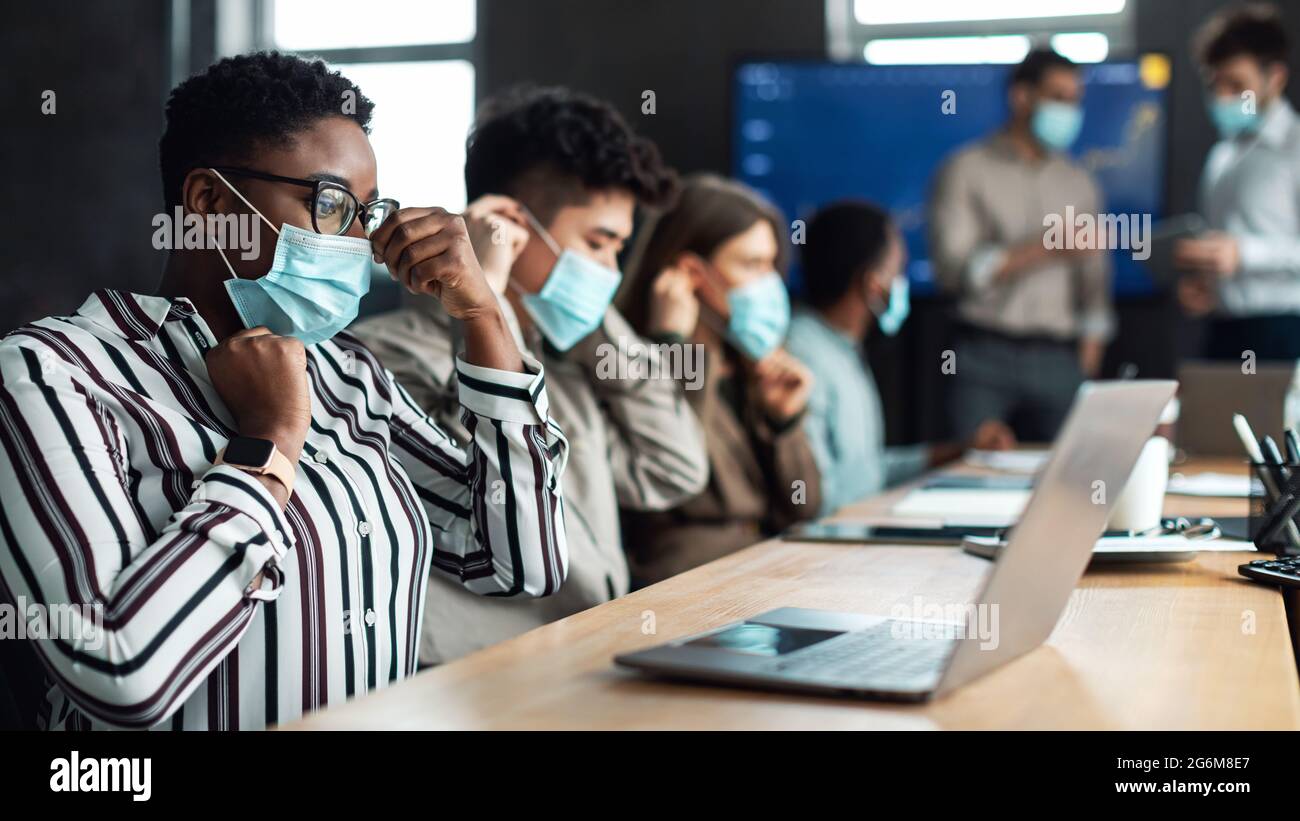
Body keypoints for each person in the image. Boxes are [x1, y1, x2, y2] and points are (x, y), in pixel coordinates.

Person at [0, 53, 568, 730]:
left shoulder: (346, 373)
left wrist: (484, 319)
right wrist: (268, 443)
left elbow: (518, 559)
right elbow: (119, 672)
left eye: (369, 211)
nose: (363, 240)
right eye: (332, 205)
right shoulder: (53, 373)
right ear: (210, 203)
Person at [351, 86, 708, 663]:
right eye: (598, 243)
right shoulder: (378, 360)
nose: (609, 271)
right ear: (508, 225)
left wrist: (594, 322)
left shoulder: (561, 369)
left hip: (591, 659)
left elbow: (673, 469)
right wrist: (481, 298)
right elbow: (475, 491)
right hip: (478, 684)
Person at [618, 174, 820, 585]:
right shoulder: (629, 359)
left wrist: (783, 425)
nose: (769, 285)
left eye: (771, 265)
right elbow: (682, 489)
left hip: (762, 578)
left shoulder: (752, 368)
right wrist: (671, 345)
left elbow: (805, 507)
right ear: (692, 272)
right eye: (752, 265)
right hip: (686, 588)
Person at [929, 48, 1113, 442]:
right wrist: (1046, 247)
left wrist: (1090, 353)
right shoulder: (965, 169)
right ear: (1022, 97)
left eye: (1075, 101)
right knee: (972, 472)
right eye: (1058, 98)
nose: (1069, 111)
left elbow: (1095, 285)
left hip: (1060, 358)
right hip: (983, 354)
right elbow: (955, 272)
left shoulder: (1079, 182)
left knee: (1073, 479)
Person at [786, 201, 1016, 517]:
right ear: (873, 283)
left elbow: (866, 471)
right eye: (898, 271)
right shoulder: (803, 354)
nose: (901, 283)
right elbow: (822, 495)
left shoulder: (842, 349)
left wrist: (957, 452)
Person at [1175, 3, 1300, 360]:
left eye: (1237, 85)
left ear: (1275, 77)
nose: (1223, 97)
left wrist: (1244, 253)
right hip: (1224, 329)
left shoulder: (1296, 147)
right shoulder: (1222, 157)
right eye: (1216, 84)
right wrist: (1205, 285)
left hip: (1284, 330)